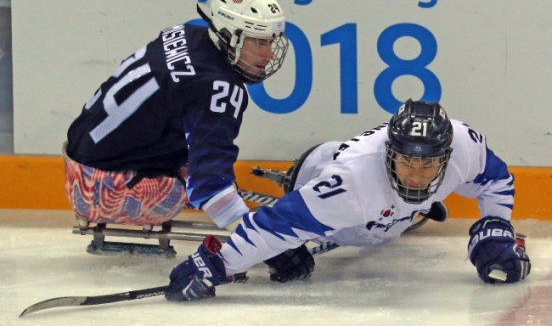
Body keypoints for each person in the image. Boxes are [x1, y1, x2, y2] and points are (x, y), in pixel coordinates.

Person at [164, 99, 532, 302]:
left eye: (428, 164)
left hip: (380, 218)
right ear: (390, 154)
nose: (418, 175)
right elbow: (278, 224)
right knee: (314, 229)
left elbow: (497, 182)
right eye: (407, 162)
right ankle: (407, 212)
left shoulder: (464, 146)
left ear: (447, 156)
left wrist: (496, 227)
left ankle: (410, 213)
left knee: (387, 228)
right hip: (320, 178)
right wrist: (217, 261)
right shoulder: (352, 184)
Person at [63, 0, 289, 241]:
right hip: (104, 192)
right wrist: (263, 244)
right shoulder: (216, 87)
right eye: (259, 41)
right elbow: (209, 184)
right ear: (229, 35)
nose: (269, 54)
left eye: (271, 41)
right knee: (207, 182)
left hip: (80, 167)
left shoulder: (188, 34)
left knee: (195, 144)